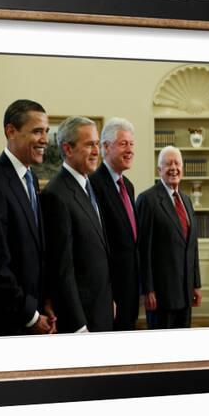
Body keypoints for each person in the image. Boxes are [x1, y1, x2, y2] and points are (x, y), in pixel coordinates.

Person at [0, 99, 56, 335]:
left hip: (39, 311)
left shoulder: (30, 177)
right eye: (37, 131)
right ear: (11, 131)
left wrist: (46, 303)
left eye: (46, 132)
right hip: (12, 322)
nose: (45, 140)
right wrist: (30, 316)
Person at [40, 116, 113, 333]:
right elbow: (63, 268)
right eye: (89, 144)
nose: (96, 151)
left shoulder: (88, 185)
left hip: (101, 309)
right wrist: (78, 324)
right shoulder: (56, 194)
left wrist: (109, 300)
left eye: (97, 144)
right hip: (82, 319)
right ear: (68, 149)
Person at [136, 146, 202, 329]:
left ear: (183, 167)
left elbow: (192, 246)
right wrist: (147, 289)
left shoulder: (187, 200)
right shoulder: (147, 200)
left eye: (177, 163)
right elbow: (143, 250)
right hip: (161, 295)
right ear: (159, 170)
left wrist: (196, 284)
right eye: (168, 163)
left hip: (186, 292)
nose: (173, 168)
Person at [89, 118, 140, 331]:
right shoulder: (94, 184)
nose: (129, 150)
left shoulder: (128, 185)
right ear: (106, 147)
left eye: (131, 144)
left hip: (130, 288)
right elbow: (97, 246)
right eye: (123, 144)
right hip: (110, 293)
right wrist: (107, 295)